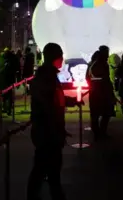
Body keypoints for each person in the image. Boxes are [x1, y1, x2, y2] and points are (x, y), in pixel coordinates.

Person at [27, 43, 81, 200]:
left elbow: (55, 99)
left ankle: (54, 194)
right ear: (54, 58)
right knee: (44, 167)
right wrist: (57, 130)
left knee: (49, 168)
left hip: (49, 132)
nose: (62, 59)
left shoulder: (48, 76)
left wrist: (71, 100)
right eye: (60, 55)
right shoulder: (46, 78)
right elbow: (48, 105)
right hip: (47, 133)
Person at [87, 47, 116, 140]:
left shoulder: (93, 64)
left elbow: (88, 78)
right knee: (104, 114)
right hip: (102, 93)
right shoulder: (101, 64)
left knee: (96, 115)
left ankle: (98, 133)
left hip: (95, 92)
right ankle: (100, 134)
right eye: (107, 52)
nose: (108, 55)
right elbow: (105, 79)